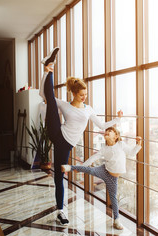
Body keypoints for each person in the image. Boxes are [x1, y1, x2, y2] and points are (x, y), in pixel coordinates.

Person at [40, 47, 123, 226]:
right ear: (74, 94)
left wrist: (117, 119)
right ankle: (49, 67)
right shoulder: (65, 104)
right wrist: (45, 75)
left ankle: (59, 211)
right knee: (51, 99)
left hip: (65, 144)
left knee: (59, 175)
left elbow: (101, 125)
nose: (85, 96)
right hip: (57, 132)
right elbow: (43, 95)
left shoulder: (89, 109)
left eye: (86, 94)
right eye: (82, 94)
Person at [61, 127, 142, 230]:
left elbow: (132, 153)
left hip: (113, 178)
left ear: (116, 136)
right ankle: (69, 167)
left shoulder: (121, 145)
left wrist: (139, 143)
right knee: (91, 170)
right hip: (104, 170)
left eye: (110, 131)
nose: (106, 132)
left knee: (113, 198)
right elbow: (93, 158)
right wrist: (83, 167)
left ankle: (116, 220)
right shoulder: (104, 148)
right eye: (106, 132)